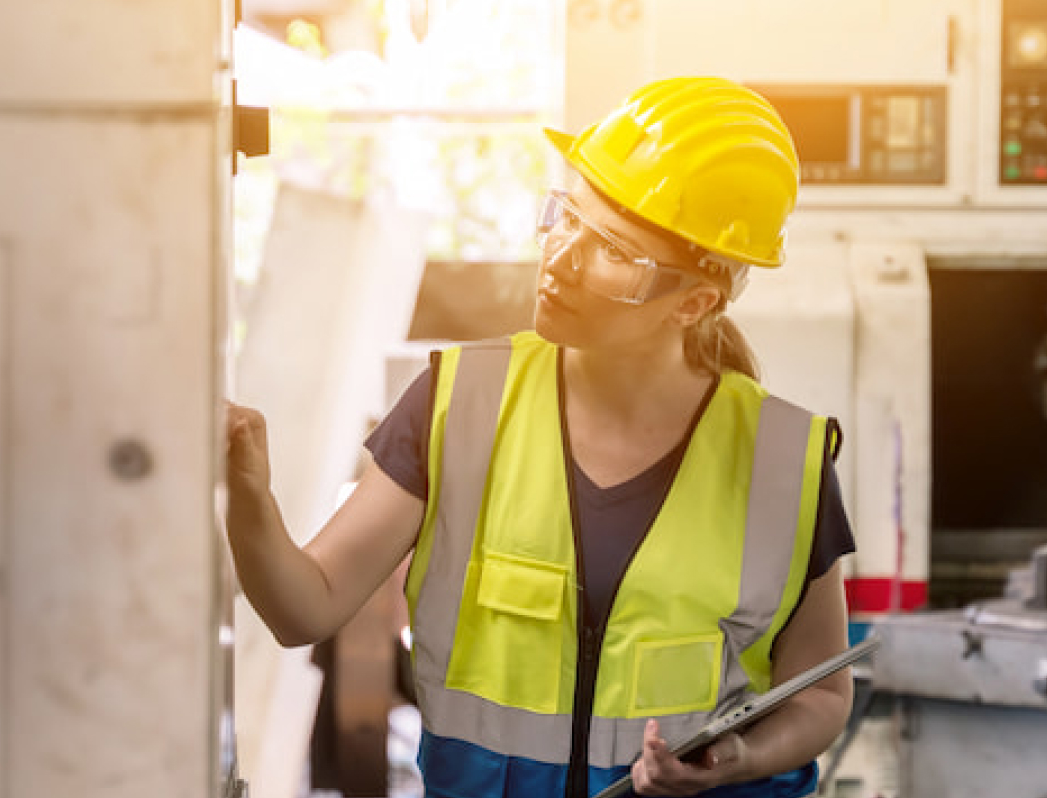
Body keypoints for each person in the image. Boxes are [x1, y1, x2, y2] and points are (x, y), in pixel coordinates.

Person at [225, 75, 856, 798]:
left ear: (695, 302)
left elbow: (821, 695)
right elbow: (303, 607)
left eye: (612, 249)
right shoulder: (459, 405)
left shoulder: (782, 459)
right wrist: (249, 494)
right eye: (566, 217)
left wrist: (743, 756)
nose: (558, 260)